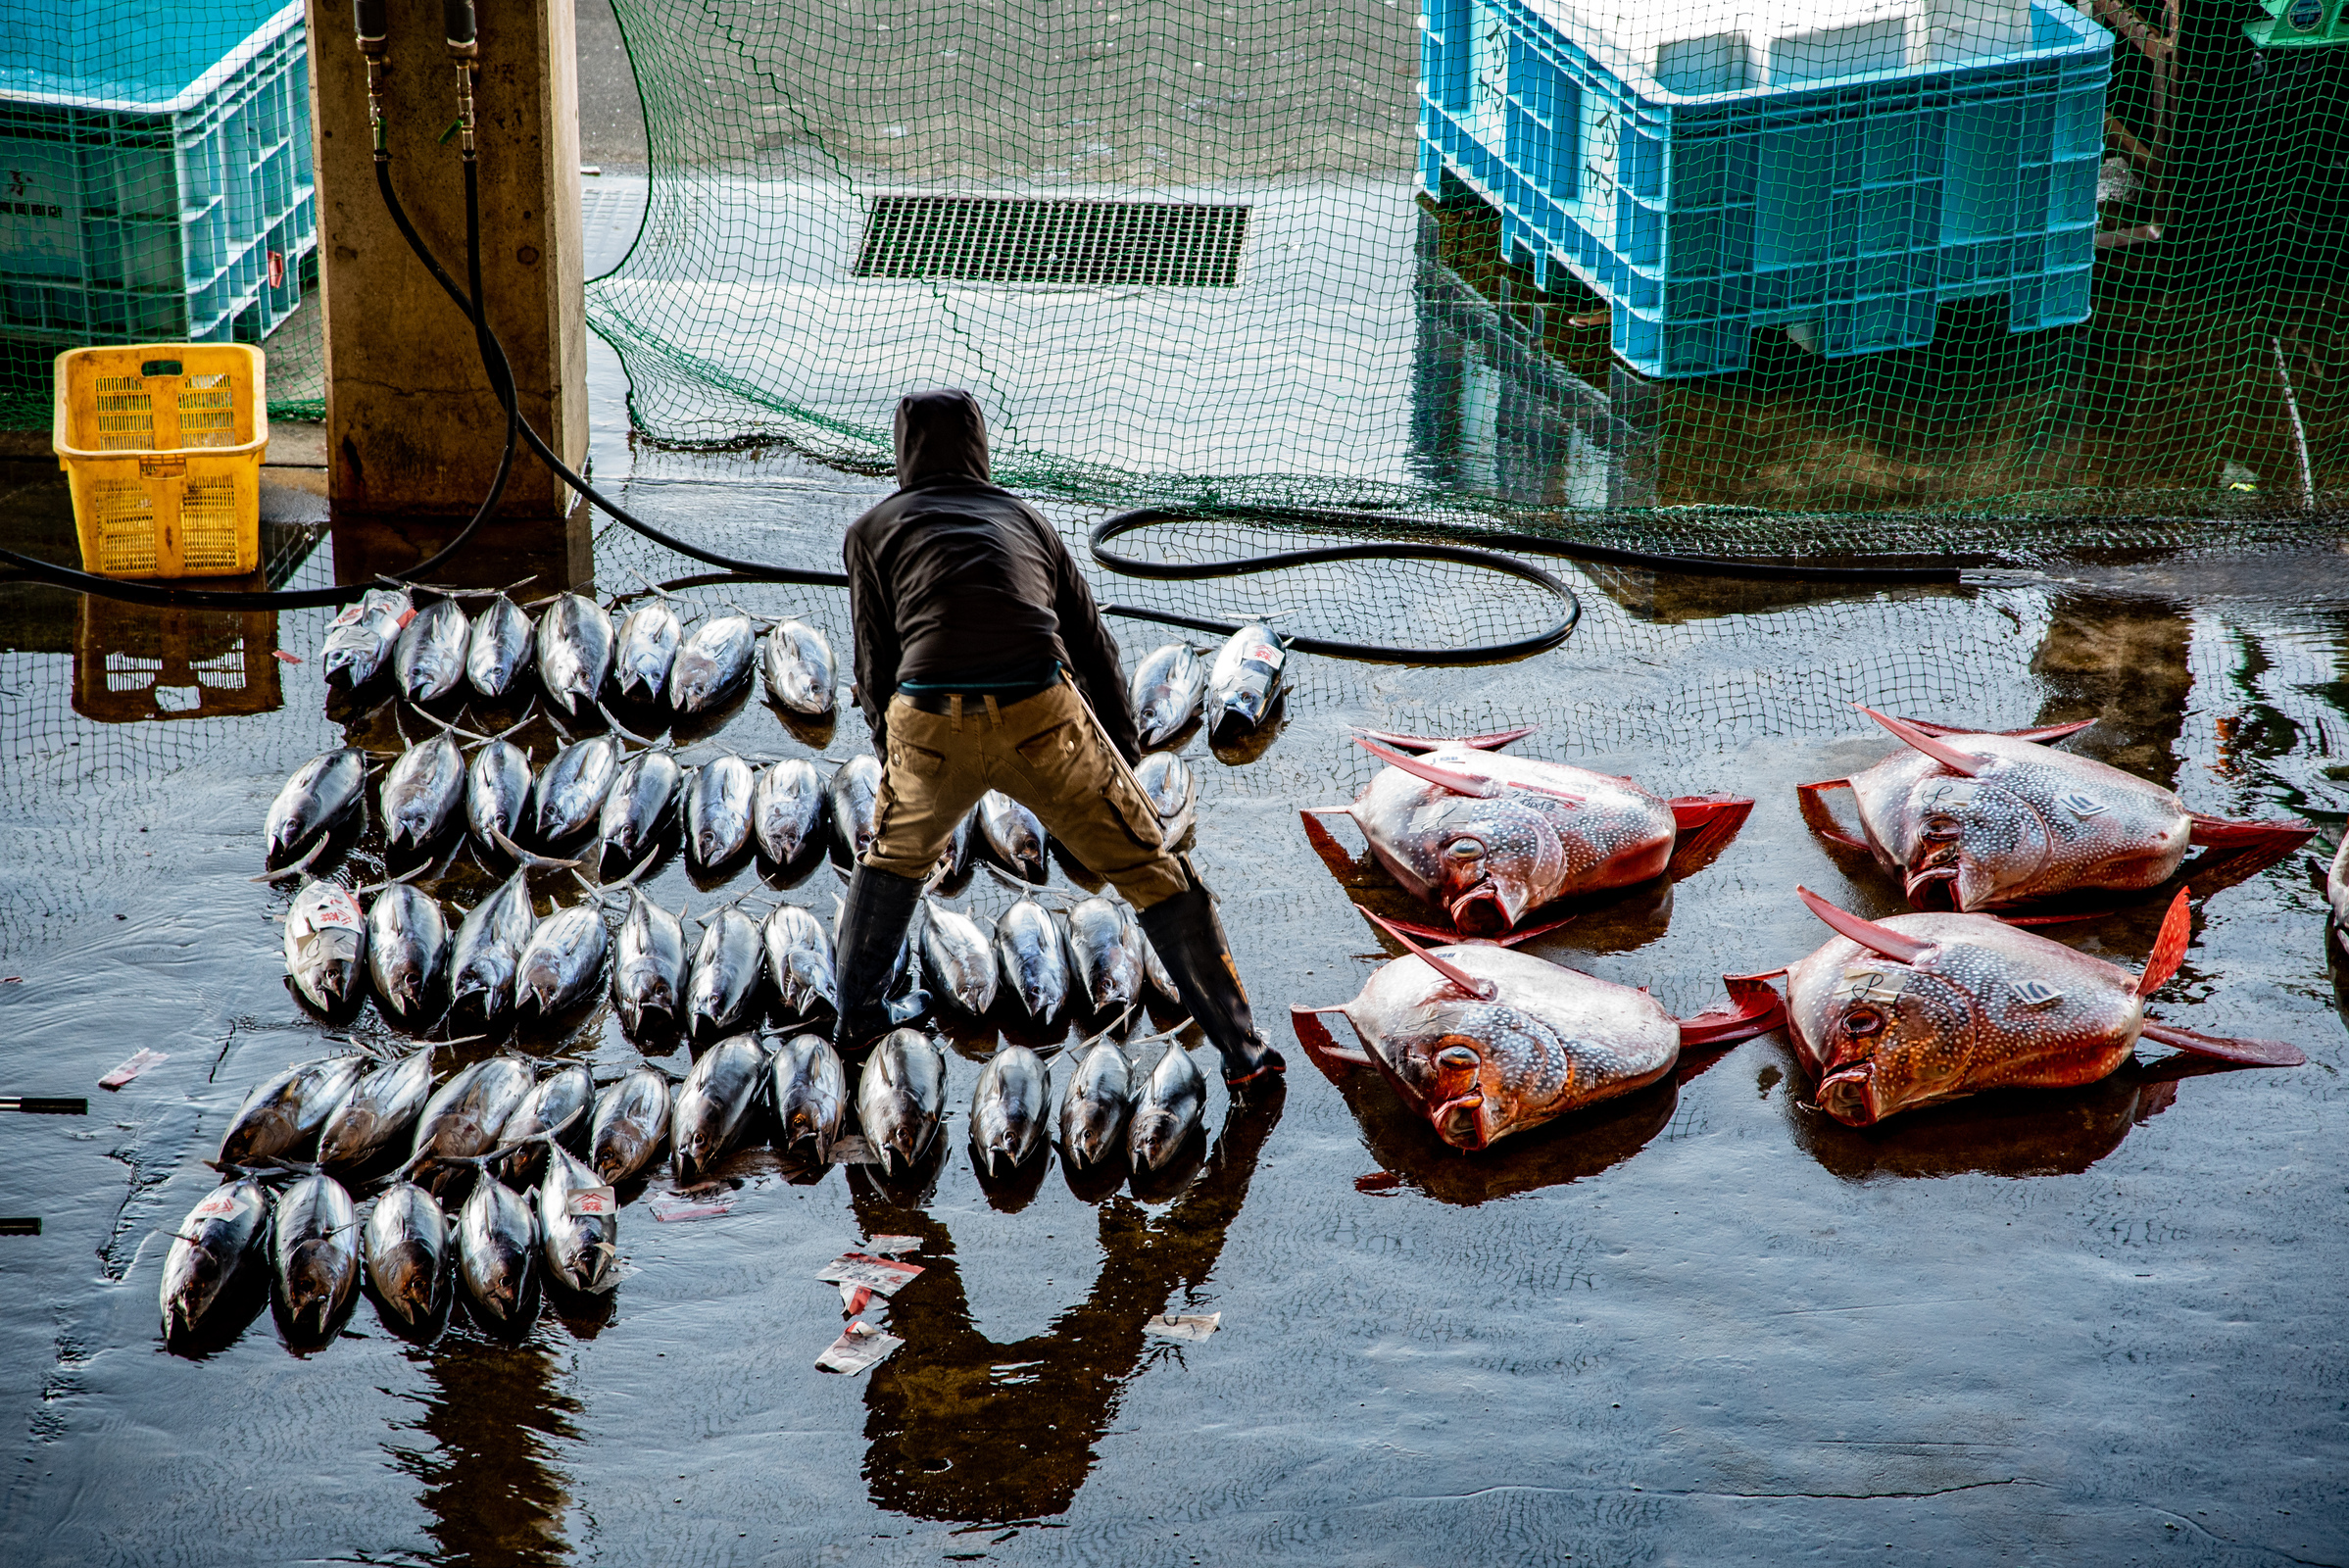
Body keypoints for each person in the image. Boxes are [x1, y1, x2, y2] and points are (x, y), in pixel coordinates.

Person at [831, 388, 1284, 1087]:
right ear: (979, 449)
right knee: (1153, 870)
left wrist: (896, 756)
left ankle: (858, 1020)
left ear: (903, 453)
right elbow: (1094, 646)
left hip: (928, 720)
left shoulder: (870, 530)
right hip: (1041, 716)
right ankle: (1243, 1053)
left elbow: (874, 664)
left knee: (891, 859)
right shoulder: (1026, 520)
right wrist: (1124, 762)